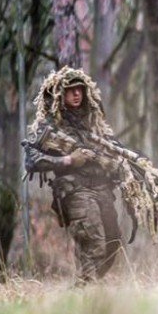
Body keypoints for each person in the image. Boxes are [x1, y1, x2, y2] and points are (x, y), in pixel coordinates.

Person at [22, 67, 124, 282]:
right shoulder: (50, 126)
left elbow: (113, 153)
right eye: (70, 90)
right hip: (76, 191)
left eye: (80, 89)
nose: (77, 94)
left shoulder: (93, 123)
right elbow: (31, 160)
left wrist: (115, 166)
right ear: (60, 94)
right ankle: (86, 295)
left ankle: (86, 288)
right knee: (93, 243)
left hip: (102, 191)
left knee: (112, 242)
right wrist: (68, 160)